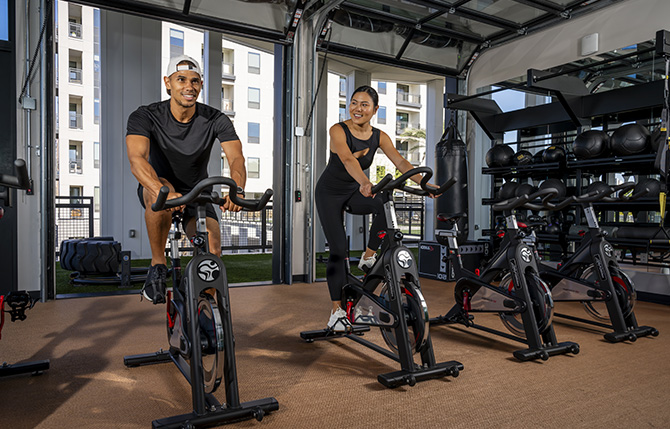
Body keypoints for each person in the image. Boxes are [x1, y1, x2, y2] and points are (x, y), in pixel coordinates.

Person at [315, 85, 438, 332]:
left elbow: (401, 161)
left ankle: (369, 255)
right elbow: (348, 159)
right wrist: (364, 182)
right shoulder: (338, 130)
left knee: (384, 203)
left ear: (375, 109)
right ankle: (336, 311)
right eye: (353, 103)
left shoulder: (379, 136)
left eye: (364, 104)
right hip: (329, 193)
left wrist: (424, 183)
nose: (357, 109)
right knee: (338, 250)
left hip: (354, 190)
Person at [126, 55, 247, 304]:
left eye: (195, 81)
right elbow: (137, 160)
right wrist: (163, 191)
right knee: (161, 190)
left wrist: (238, 189)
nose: (189, 86)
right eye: (181, 80)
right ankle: (158, 264)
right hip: (159, 188)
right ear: (168, 83)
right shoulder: (146, 115)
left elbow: (236, 158)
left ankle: (206, 313)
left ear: (201, 85)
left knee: (212, 251)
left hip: (197, 193)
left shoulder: (215, 119)